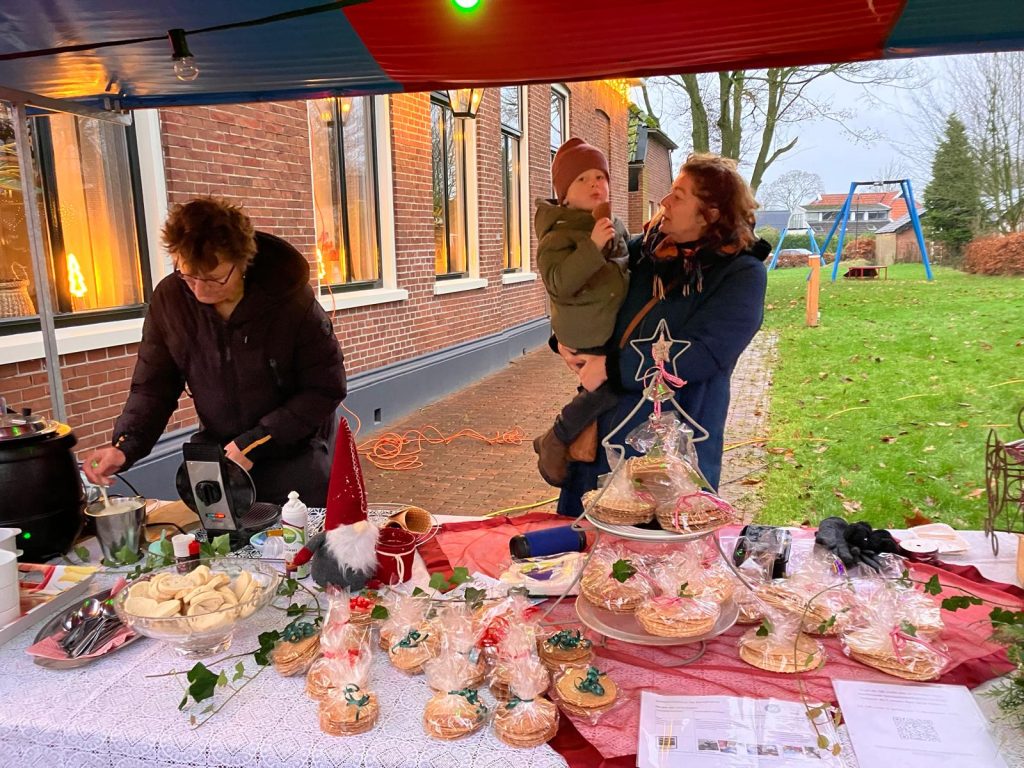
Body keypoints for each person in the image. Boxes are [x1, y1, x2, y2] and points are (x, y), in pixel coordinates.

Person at [83, 197, 347, 507]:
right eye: (188, 275)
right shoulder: (170, 300)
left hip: (293, 455)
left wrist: (257, 440)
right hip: (219, 459)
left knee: (297, 534)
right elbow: (154, 387)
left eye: (213, 277)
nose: (199, 290)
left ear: (242, 260)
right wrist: (126, 446)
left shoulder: (290, 301)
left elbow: (325, 387)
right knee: (219, 538)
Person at [554, 153, 770, 518]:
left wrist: (611, 368)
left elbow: (703, 353)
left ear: (711, 213)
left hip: (677, 444)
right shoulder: (641, 253)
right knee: (584, 538)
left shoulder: (741, 274)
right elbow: (588, 296)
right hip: (602, 431)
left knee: (661, 544)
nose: (665, 202)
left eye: (679, 196)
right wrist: (564, 339)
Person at [533, 137, 630, 486]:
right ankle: (556, 438)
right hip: (584, 329)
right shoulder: (558, 234)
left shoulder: (613, 223)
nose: (594, 184)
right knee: (608, 387)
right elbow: (558, 282)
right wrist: (592, 246)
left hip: (606, 325)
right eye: (582, 179)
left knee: (596, 392)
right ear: (564, 196)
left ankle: (566, 440)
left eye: (600, 177)